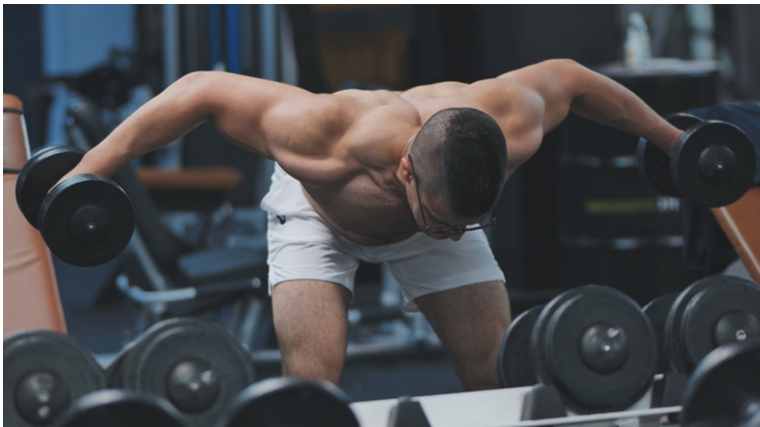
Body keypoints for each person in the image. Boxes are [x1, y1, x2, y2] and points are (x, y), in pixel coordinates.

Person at [62, 59, 683, 390]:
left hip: (428, 203)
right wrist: (85, 176)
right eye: (442, 221)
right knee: (311, 391)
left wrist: (676, 141)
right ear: (407, 171)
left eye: (467, 222)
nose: (449, 234)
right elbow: (197, 91)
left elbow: (573, 79)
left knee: (499, 377)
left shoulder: (511, 124)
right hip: (318, 215)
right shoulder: (321, 137)